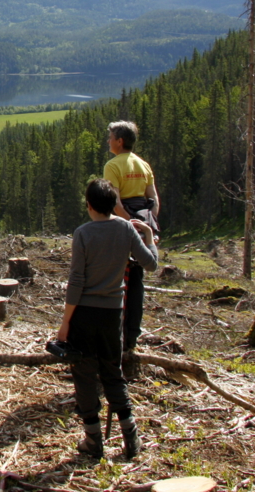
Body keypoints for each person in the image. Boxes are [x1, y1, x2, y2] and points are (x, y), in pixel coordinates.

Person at [56, 178, 158, 460]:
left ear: (88, 205)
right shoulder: (126, 229)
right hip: (114, 314)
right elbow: (151, 264)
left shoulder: (83, 234)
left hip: (84, 315)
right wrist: (149, 238)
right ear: (113, 204)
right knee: (113, 373)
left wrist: (65, 323)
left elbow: (76, 281)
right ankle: (131, 438)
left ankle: (93, 441)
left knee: (85, 375)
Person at [103, 121, 160, 372]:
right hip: (144, 222)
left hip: (122, 226)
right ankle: (131, 339)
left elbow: (114, 202)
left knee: (115, 281)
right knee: (136, 281)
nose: (108, 140)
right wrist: (148, 225)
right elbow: (154, 199)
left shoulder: (113, 166)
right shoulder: (143, 164)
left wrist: (129, 224)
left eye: (110, 136)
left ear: (119, 141)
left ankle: (115, 340)